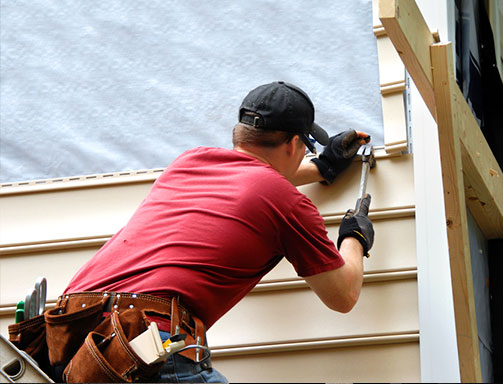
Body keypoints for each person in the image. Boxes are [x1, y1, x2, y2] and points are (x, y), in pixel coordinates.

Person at [60, 81, 375, 383]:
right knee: (170, 349)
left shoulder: (189, 162)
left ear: (242, 133)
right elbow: (343, 295)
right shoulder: (286, 202)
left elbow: (250, 183)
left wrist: (323, 167)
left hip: (73, 332)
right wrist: (354, 237)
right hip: (144, 340)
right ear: (294, 144)